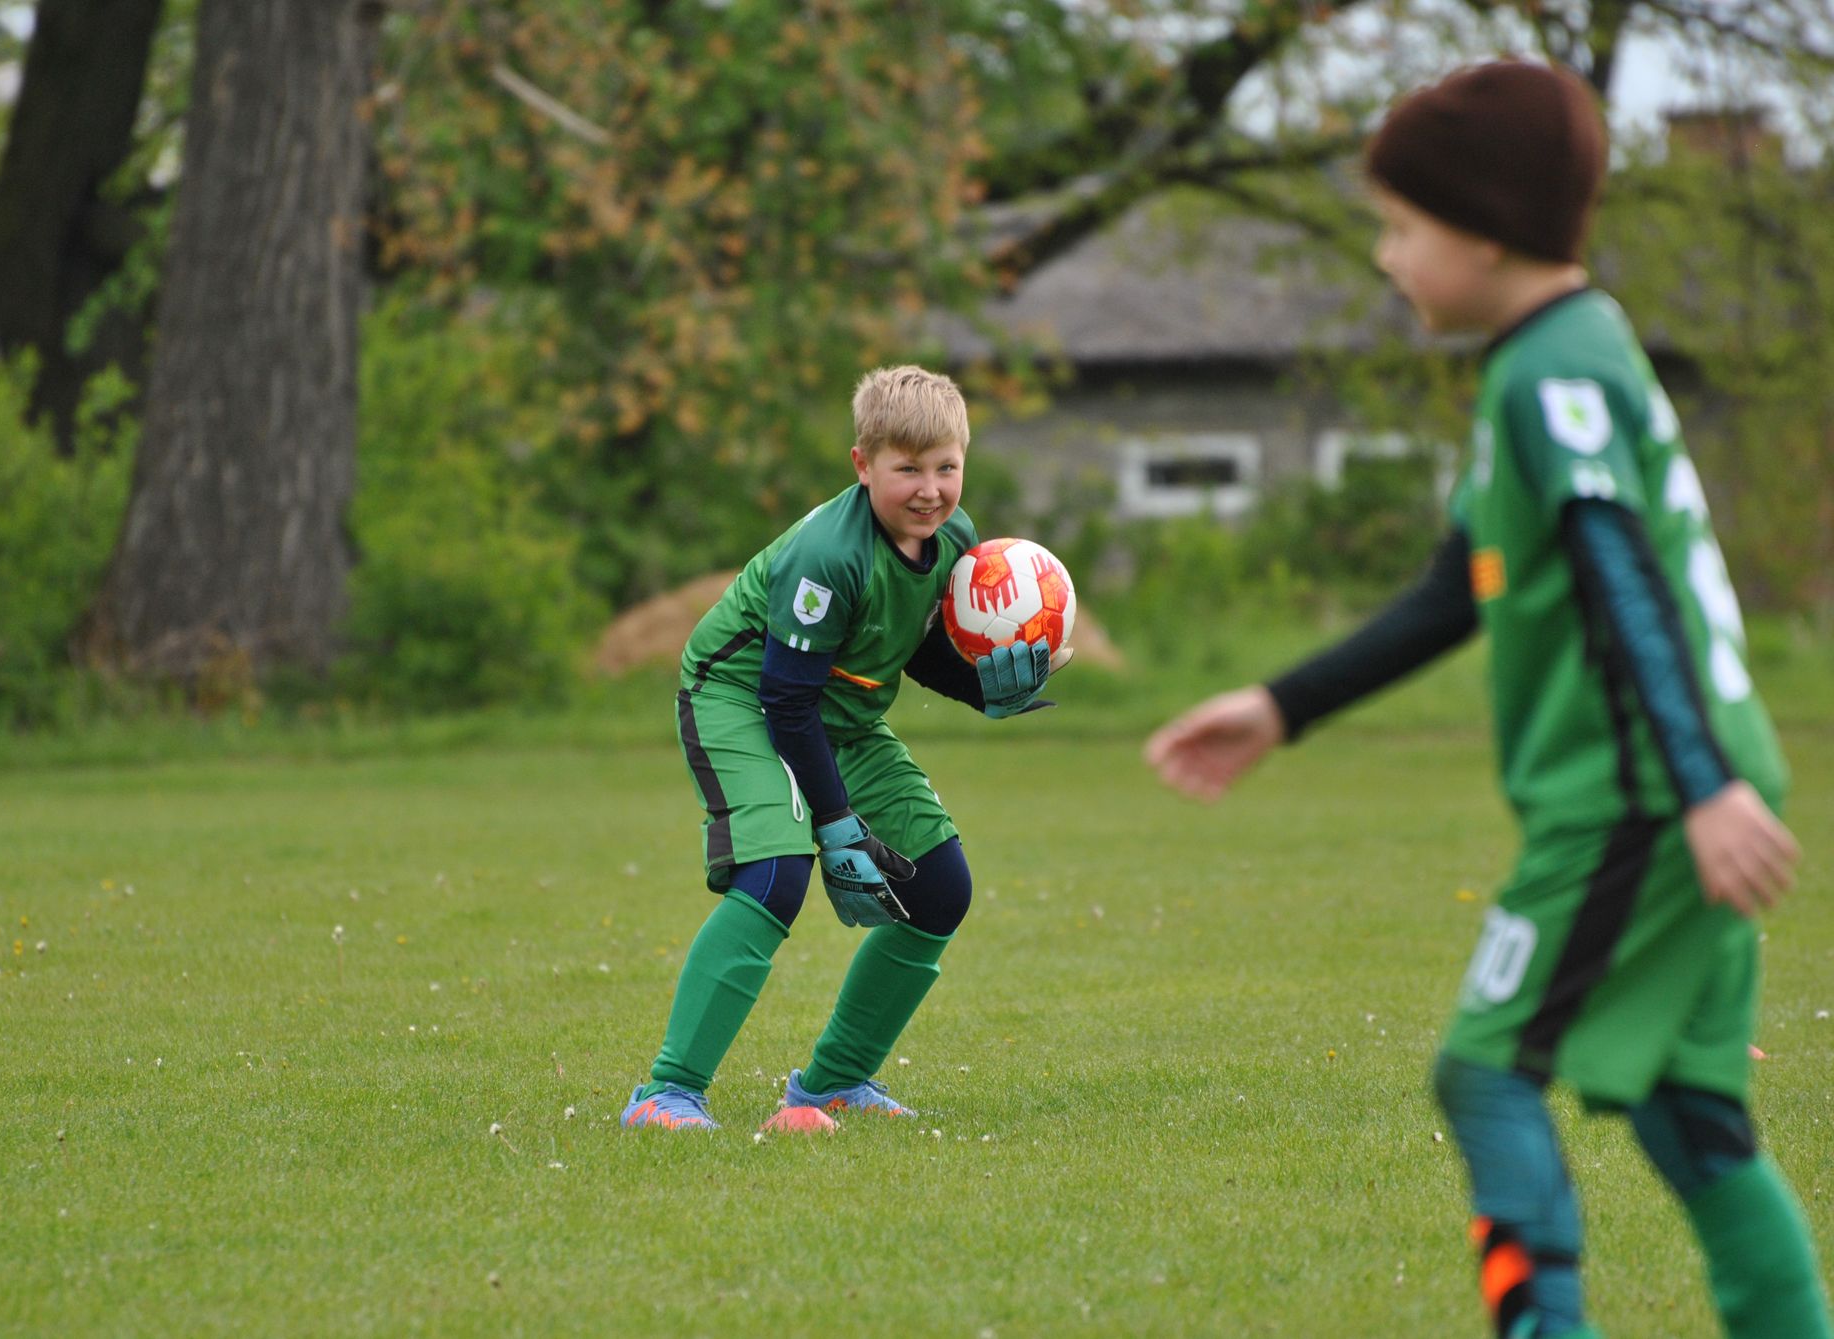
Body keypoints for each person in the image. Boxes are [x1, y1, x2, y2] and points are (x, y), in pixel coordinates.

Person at [1145, 61, 1829, 1339]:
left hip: (1641, 799)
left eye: (1397, 224)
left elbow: (1613, 559)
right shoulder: (1565, 351)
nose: (1383, 252)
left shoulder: (1545, 374)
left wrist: (1695, 790)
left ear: (1476, 228)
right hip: (1684, 781)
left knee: (1483, 1068)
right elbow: (1458, 587)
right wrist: (1281, 705)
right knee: (1689, 1112)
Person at [622, 364, 1055, 1132]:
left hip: (840, 711)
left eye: (946, 466)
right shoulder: (827, 555)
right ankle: (666, 1092)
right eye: (907, 468)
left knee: (940, 888)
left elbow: (911, 646)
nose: (930, 488)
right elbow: (785, 698)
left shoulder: (953, 536)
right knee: (776, 871)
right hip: (742, 700)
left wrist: (988, 692)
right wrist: (837, 823)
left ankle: (833, 1082)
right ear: (863, 465)